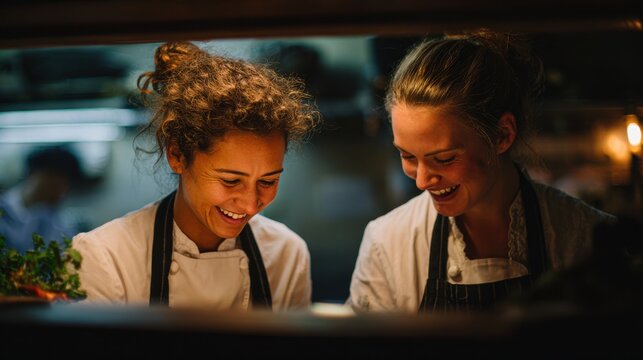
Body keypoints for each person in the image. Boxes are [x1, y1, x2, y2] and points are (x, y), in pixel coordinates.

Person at [347, 29, 617, 313]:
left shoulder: (584, 237)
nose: (423, 181)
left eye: (445, 158)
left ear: (502, 135)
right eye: (408, 156)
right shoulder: (387, 243)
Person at [72, 41, 320, 311]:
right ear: (177, 155)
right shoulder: (105, 258)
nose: (250, 204)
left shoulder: (286, 255)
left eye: (267, 181)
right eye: (230, 180)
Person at [0, 146, 84, 254]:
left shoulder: (58, 226)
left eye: (67, 186)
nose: (62, 193)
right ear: (37, 174)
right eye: (57, 184)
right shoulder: (3, 212)